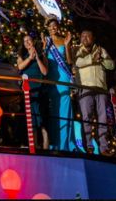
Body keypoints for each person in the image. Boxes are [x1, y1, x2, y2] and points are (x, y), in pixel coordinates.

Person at [75, 29, 115, 156]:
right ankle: (89, 146)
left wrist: (102, 59)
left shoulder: (101, 50)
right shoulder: (77, 50)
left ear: (93, 38)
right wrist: (93, 58)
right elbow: (78, 62)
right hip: (85, 89)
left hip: (101, 88)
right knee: (86, 118)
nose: (85, 38)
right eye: (82, 36)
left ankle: (104, 147)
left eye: (88, 36)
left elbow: (111, 65)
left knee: (103, 119)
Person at [41, 17, 76, 152]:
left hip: (63, 78)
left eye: (54, 26)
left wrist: (67, 45)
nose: (52, 28)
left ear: (57, 27)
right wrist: (44, 47)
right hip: (52, 79)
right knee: (54, 111)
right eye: (50, 27)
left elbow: (69, 60)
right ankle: (55, 143)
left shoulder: (64, 40)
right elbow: (44, 62)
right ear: (47, 28)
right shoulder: (46, 42)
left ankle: (65, 145)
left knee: (65, 111)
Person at [16, 34, 49, 149]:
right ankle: (33, 146)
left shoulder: (41, 54)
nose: (27, 42)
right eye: (25, 41)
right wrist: (30, 57)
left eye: (29, 40)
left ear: (33, 41)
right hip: (29, 92)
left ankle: (46, 148)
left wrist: (37, 58)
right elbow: (19, 67)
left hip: (40, 90)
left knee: (43, 122)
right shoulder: (21, 55)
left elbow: (45, 72)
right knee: (32, 122)